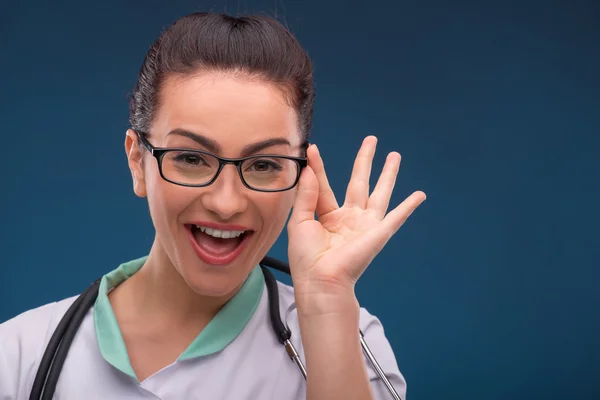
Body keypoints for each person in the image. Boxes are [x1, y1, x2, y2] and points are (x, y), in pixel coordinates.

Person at [0, 11, 425, 400]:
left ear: (302, 174)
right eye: (190, 158)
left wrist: (328, 302)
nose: (226, 203)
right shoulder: (19, 356)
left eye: (262, 164)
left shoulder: (349, 343)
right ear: (137, 161)